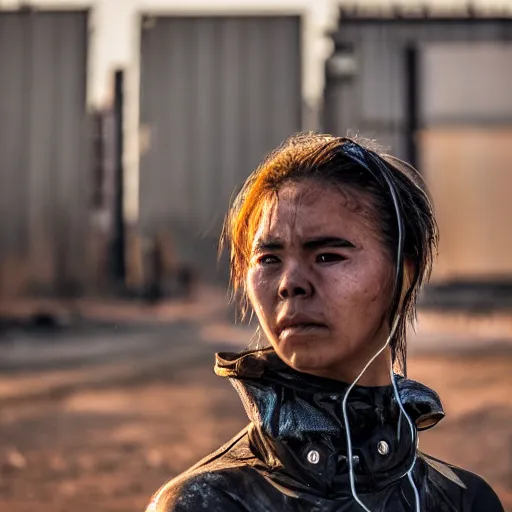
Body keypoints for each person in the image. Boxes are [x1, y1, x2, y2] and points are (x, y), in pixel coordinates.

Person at [146, 133, 504, 511]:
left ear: (403, 273)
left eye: (328, 256)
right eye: (269, 260)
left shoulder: (463, 500)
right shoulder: (209, 503)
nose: (290, 284)